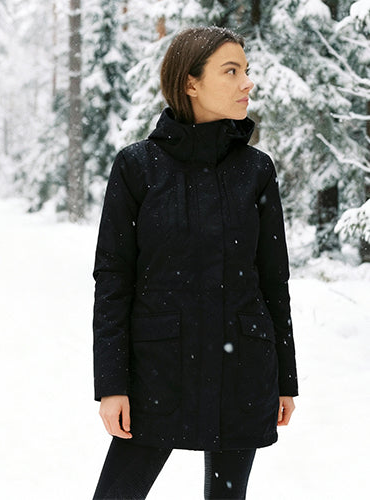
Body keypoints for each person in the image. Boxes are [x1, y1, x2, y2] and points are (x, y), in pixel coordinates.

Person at [91, 26, 298, 500]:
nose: (247, 82)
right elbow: (113, 280)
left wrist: (285, 379)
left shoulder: (256, 170)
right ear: (191, 83)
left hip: (242, 370)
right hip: (157, 373)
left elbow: (273, 281)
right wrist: (111, 384)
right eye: (231, 71)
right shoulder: (137, 167)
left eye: (246, 71)